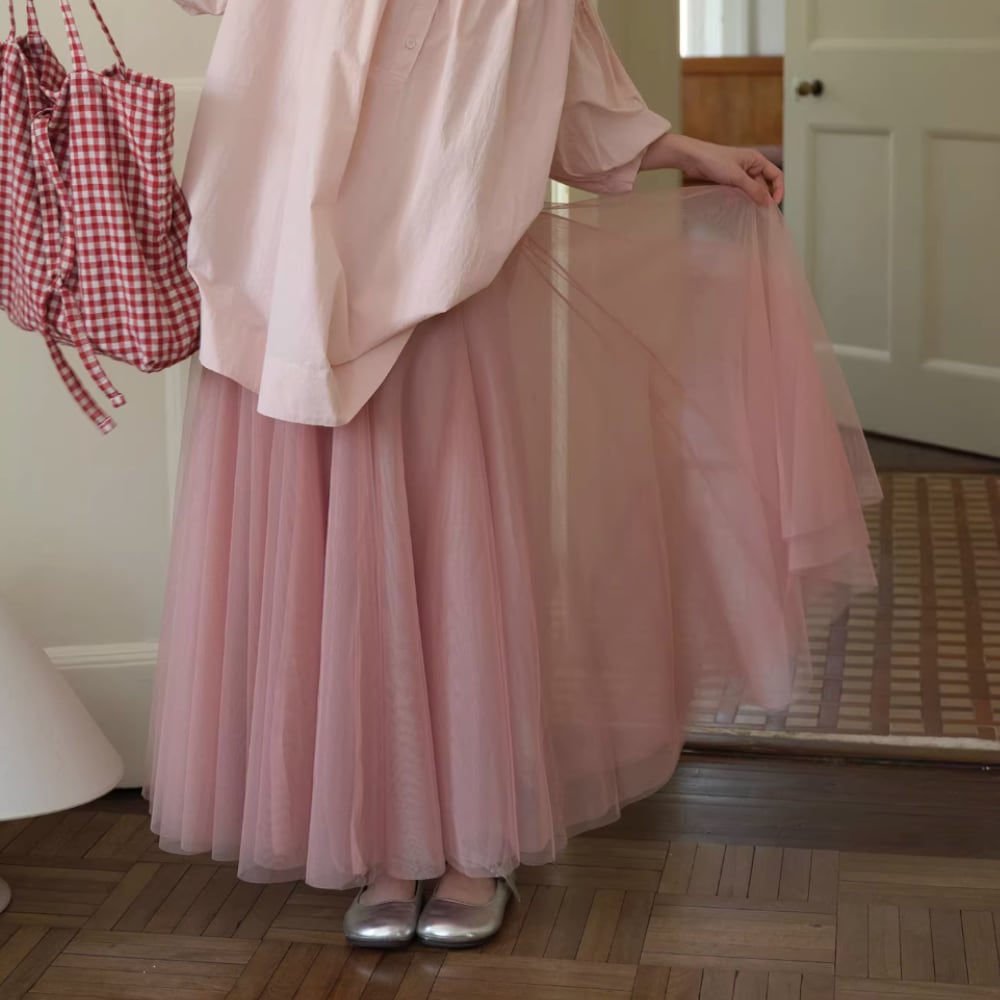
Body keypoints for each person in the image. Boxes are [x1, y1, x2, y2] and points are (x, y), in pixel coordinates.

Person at [149, 0, 879, 950]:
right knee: (336, 550)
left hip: (439, 257)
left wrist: (679, 150)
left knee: (449, 542)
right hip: (282, 249)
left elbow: (560, 76)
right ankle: (382, 842)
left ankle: (469, 844)